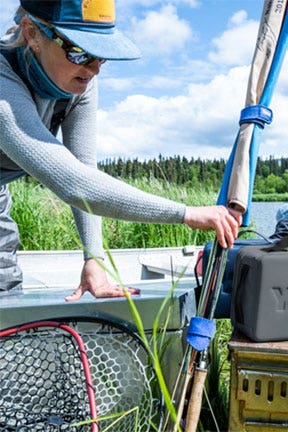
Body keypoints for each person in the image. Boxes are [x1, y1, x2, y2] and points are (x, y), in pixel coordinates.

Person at [0, 0, 241, 300]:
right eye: (80, 51)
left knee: (6, 303)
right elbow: (76, 185)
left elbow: (84, 167)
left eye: (101, 56)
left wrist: (94, 258)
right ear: (32, 34)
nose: (94, 69)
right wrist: (187, 213)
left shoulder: (80, 80)